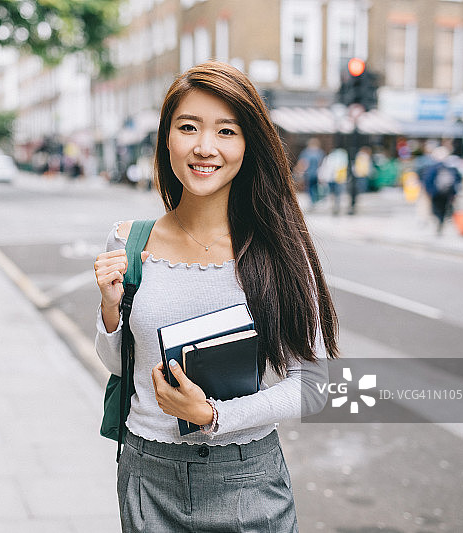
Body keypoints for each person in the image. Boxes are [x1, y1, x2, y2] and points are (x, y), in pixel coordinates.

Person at [93, 62, 338, 532]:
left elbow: (311, 386)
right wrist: (109, 308)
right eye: (188, 127)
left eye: (226, 131)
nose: (205, 147)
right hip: (148, 475)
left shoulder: (280, 252)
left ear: (248, 145)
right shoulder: (128, 242)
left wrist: (211, 415)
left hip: (248, 480)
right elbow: (120, 365)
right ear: (167, 138)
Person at [422, 146, 462, 235]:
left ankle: (439, 221)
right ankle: (441, 221)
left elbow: (427, 180)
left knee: (436, 209)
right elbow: (457, 179)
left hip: (436, 193)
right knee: (443, 208)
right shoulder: (450, 167)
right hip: (447, 193)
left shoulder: (432, 168)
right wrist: (454, 192)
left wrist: (429, 191)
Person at [295, 138, 324, 206]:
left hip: (309, 174)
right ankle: (315, 200)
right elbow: (321, 163)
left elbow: (303, 163)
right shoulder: (319, 152)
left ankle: (313, 201)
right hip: (317, 173)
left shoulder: (306, 152)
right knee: (315, 187)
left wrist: (300, 171)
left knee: (310, 187)